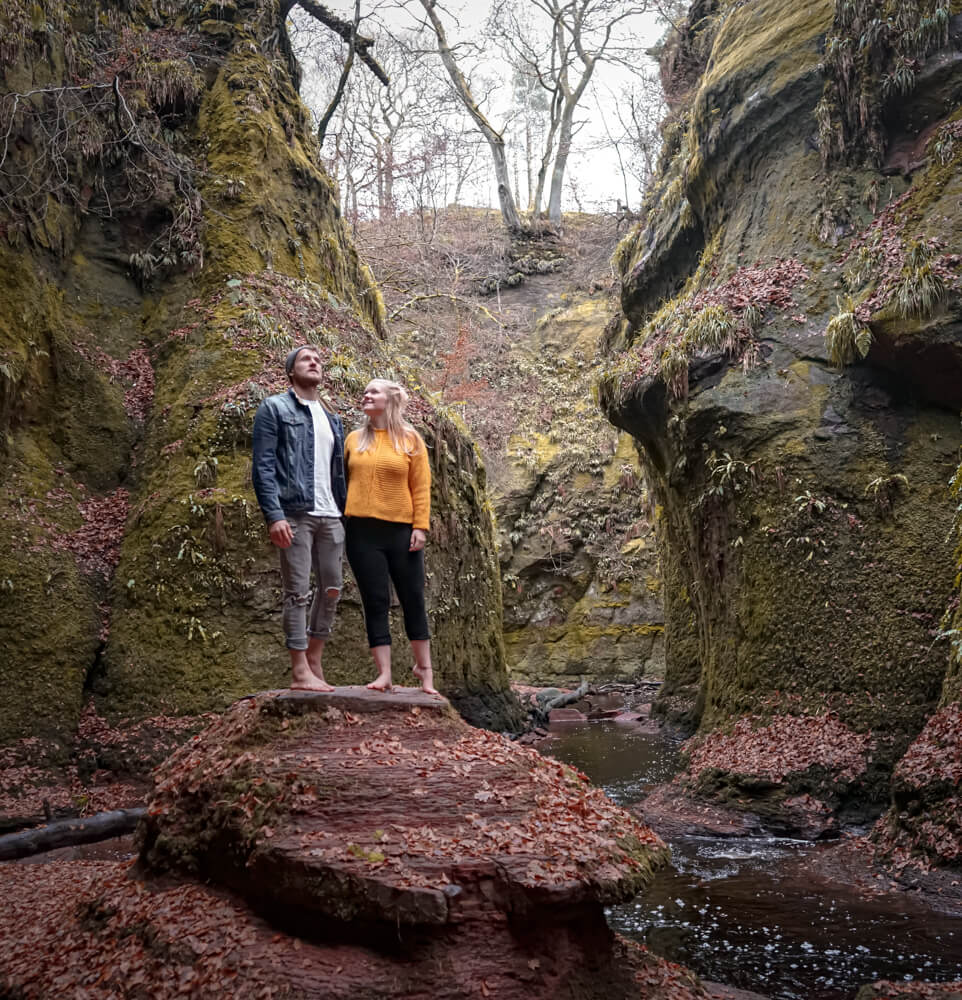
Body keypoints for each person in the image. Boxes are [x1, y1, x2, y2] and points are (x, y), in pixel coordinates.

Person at [251, 345, 346, 692]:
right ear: (291, 371)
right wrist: (273, 515)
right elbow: (262, 465)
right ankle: (299, 670)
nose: (315, 362)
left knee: (332, 588)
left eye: (319, 360)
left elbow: (339, 472)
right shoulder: (274, 408)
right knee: (297, 593)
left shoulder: (332, 417)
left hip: (332, 515)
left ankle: (315, 658)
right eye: (307, 359)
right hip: (295, 513)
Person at [344, 379, 439, 696]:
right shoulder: (354, 440)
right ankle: (384, 674)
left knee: (413, 598)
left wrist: (420, 527)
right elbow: (339, 482)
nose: (366, 395)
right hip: (361, 532)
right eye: (365, 391)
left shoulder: (410, 440)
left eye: (373, 392)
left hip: (401, 530)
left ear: (391, 399)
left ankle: (425, 673)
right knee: (376, 601)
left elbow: (421, 488)